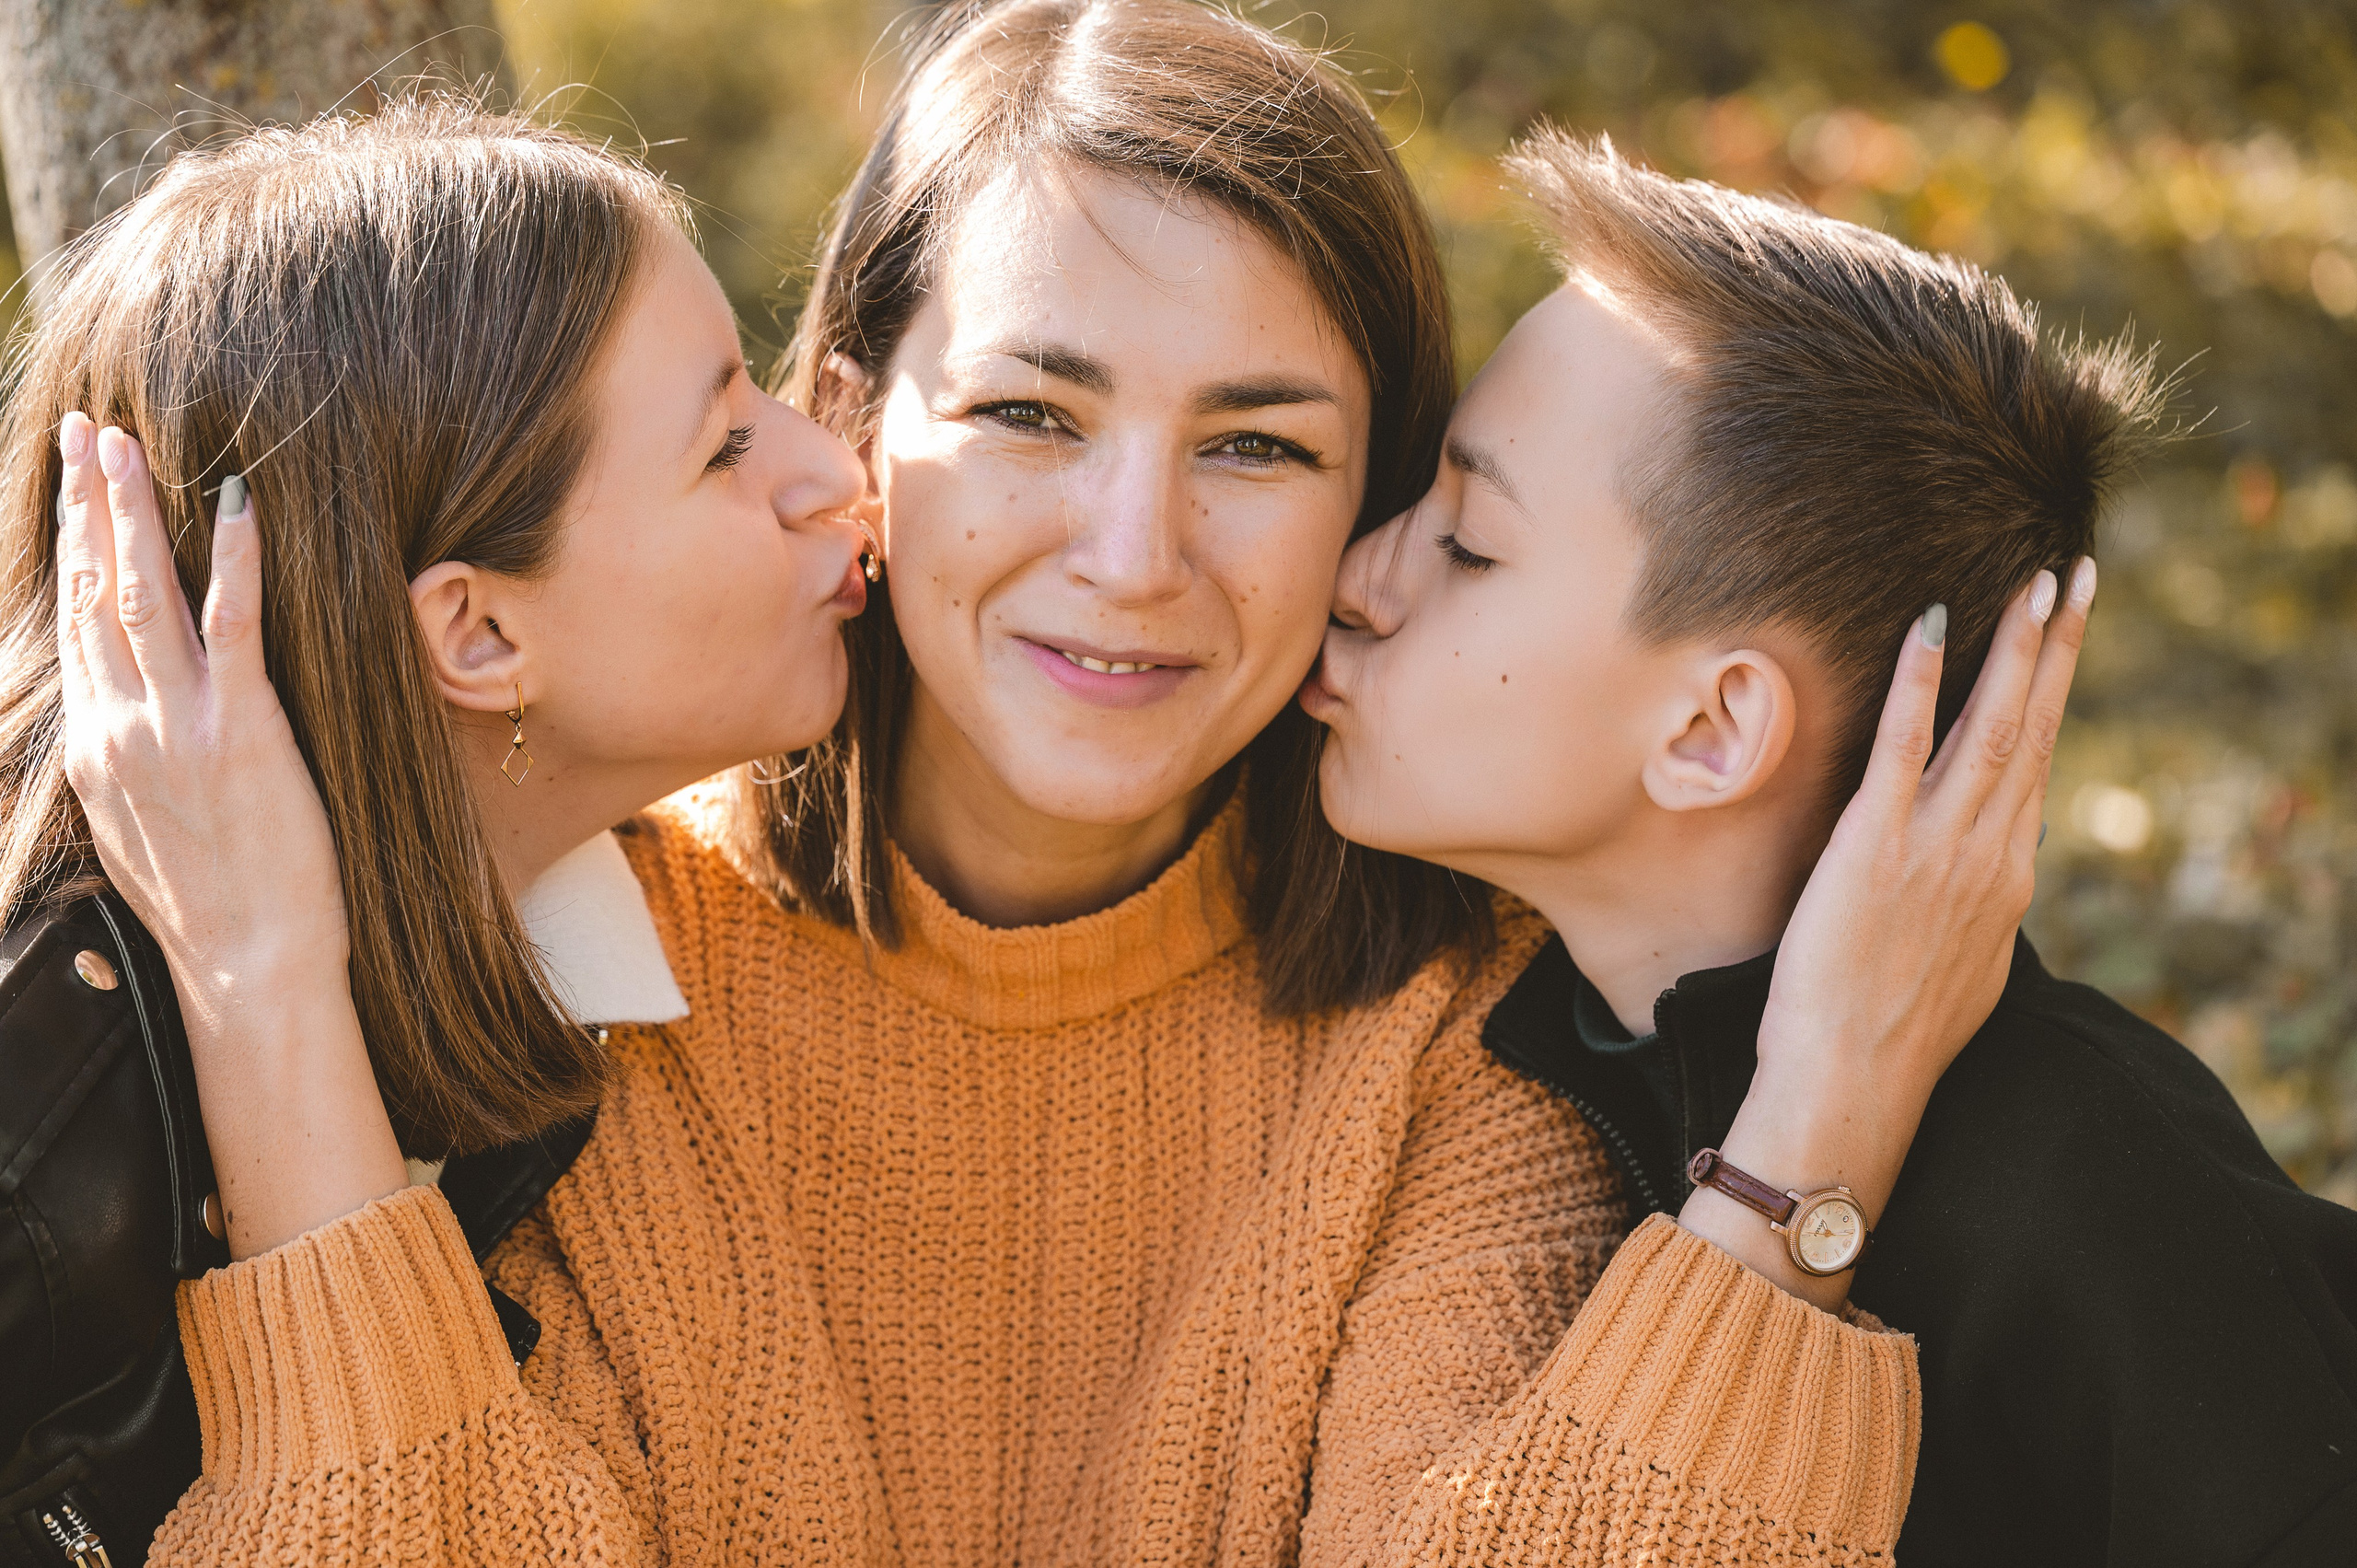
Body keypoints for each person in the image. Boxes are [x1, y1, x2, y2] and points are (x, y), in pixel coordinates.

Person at [42, 6, 2070, 1564]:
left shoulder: (1459, 1028)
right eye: (1027, 410)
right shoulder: (564, 971)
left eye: (1257, 447)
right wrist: (267, 1000)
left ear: (1377, 497)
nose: (1129, 553)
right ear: (851, 425)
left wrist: (1808, 1132)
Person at [1306, 131, 2357, 1566]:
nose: (1357, 575)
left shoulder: (2098, 1202)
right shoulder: (1487, 1069)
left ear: (1711, 732)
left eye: (1467, 543)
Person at [0, 98, 866, 1562]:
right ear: (474, 633)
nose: (831, 473)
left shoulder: (614, 957)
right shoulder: (40, 1115)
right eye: (726, 443)